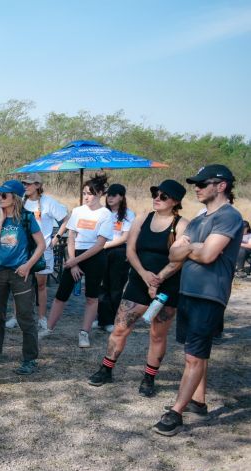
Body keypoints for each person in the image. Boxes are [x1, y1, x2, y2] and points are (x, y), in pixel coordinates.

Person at [154, 165, 244, 436]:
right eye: (196, 183)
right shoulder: (198, 218)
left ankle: (176, 413)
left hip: (209, 295)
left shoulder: (229, 216)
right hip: (189, 292)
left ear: (221, 186)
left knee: (194, 356)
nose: (197, 187)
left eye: (203, 183)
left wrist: (190, 248)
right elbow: (173, 253)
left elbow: (208, 256)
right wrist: (195, 247)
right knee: (194, 353)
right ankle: (198, 401)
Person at [88, 180, 189, 396]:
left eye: (164, 196)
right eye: (156, 193)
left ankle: (149, 378)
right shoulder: (142, 219)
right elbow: (130, 250)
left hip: (167, 287)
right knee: (120, 328)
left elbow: (179, 259)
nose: (157, 198)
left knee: (157, 335)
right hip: (138, 282)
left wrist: (158, 279)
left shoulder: (182, 225)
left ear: (176, 202)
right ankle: (106, 369)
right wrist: (145, 276)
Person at [0, 180, 46, 374]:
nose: (0, 198)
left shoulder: (27, 217)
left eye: (4, 195)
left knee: (25, 316)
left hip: (20, 273)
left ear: (14, 197)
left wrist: (28, 265)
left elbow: (41, 245)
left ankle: (30, 359)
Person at [39, 174, 114, 348]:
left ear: (100, 193)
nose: (87, 196)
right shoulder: (78, 211)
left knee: (91, 297)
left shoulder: (106, 214)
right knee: (61, 296)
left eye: (91, 193)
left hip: (95, 257)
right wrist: (72, 261)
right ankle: (48, 328)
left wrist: (75, 261)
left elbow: (99, 245)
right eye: (84, 193)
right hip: (75, 255)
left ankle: (84, 333)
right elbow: (71, 237)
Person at [6, 173, 68, 331]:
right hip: (22, 249)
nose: (25, 186)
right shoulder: (20, 201)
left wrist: (55, 239)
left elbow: (66, 219)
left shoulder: (48, 202)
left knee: (41, 285)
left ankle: (41, 317)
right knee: (19, 283)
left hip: (43, 249)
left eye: (29, 183)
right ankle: (15, 316)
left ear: (38, 185)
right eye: (24, 183)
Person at [96, 184, 136, 332]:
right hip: (101, 250)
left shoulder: (128, 214)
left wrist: (105, 245)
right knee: (101, 286)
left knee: (116, 287)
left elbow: (125, 236)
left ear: (121, 196)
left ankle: (113, 319)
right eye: (108, 195)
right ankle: (102, 319)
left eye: (114, 195)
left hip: (118, 251)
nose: (110, 198)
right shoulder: (102, 212)